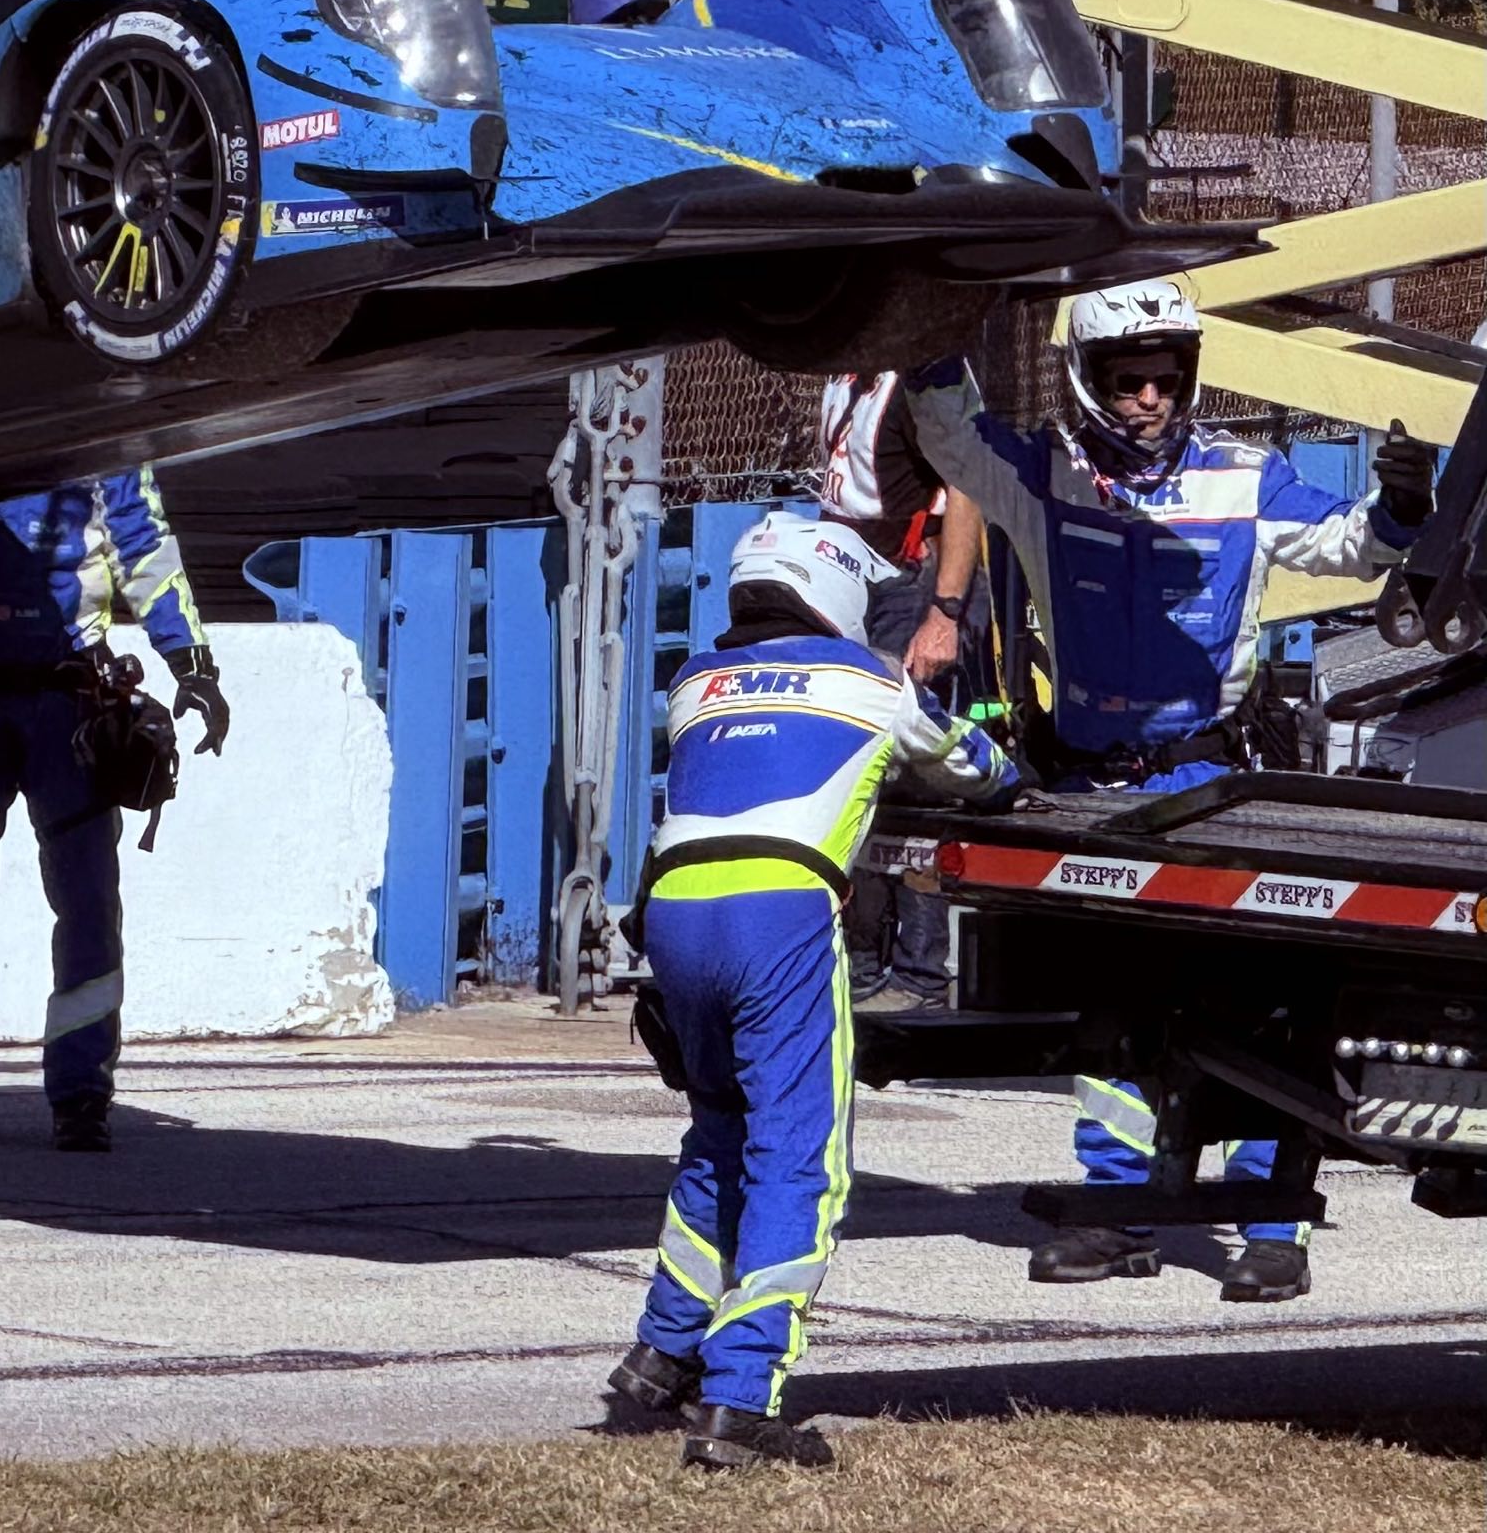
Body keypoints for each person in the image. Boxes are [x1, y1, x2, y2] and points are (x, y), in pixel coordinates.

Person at [909, 279, 1435, 1302]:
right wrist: (924, 318)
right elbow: (952, 440)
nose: (1150, 398)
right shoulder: (1046, 473)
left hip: (1214, 780)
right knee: (1117, 1004)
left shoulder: (1245, 474)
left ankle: (1272, 1227)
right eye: (1128, 380)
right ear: (1086, 379)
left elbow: (1351, 546)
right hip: (1094, 789)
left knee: (1256, 1003)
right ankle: (1120, 1212)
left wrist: (1401, 506)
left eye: (1166, 378)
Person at [605, 511, 1012, 1472]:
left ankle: (662, 1351)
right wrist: (1000, 760)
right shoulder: (870, 680)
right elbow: (972, 767)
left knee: (719, 1134)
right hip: (779, 912)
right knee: (799, 1160)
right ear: (832, 592)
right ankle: (741, 1399)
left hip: (674, 915)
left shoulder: (694, 682)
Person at [0, 469, 230, 1153]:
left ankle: (81, 1093)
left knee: (88, 903)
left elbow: (143, 539)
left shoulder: (105, 441)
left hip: (70, 703)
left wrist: (192, 663)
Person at [817, 370, 989, 1013]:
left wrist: (943, 613)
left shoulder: (922, 381)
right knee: (856, 773)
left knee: (915, 775)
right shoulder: (846, 374)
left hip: (914, 584)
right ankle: (861, 962)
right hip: (860, 583)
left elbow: (966, 485)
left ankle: (919, 973)